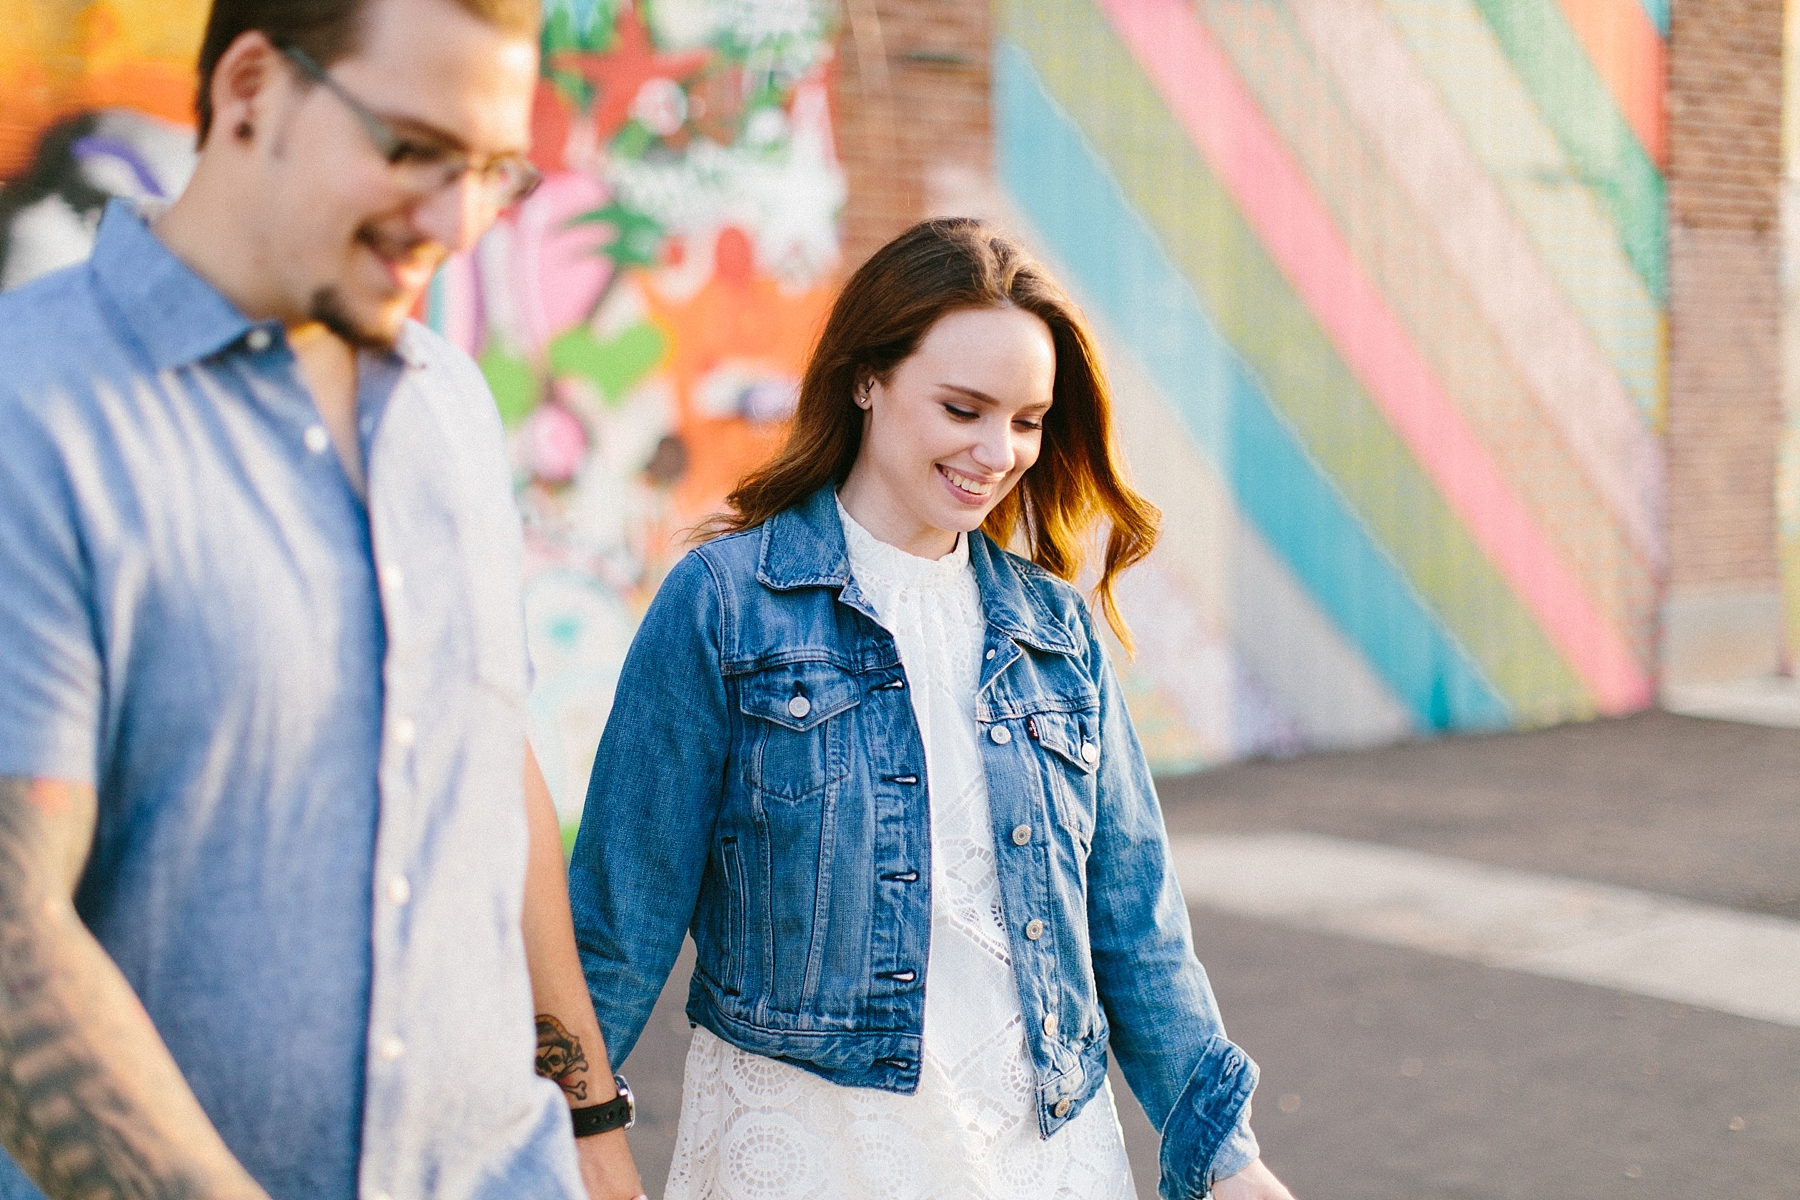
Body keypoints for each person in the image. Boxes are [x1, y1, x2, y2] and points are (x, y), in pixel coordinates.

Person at [0, 0, 644, 1197]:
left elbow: (484, 768)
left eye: (493, 172)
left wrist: (592, 1117)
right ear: (250, 88)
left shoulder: (450, 403)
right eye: (411, 150)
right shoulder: (30, 410)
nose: (455, 221)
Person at [566, 219, 1296, 1200]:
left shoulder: (1056, 635)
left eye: (1029, 420)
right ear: (867, 379)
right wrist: (571, 1124)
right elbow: (620, 912)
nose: (999, 451)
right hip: (813, 1149)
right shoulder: (724, 603)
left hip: (1047, 1157)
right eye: (964, 408)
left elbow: (1135, 926)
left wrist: (1226, 1157)